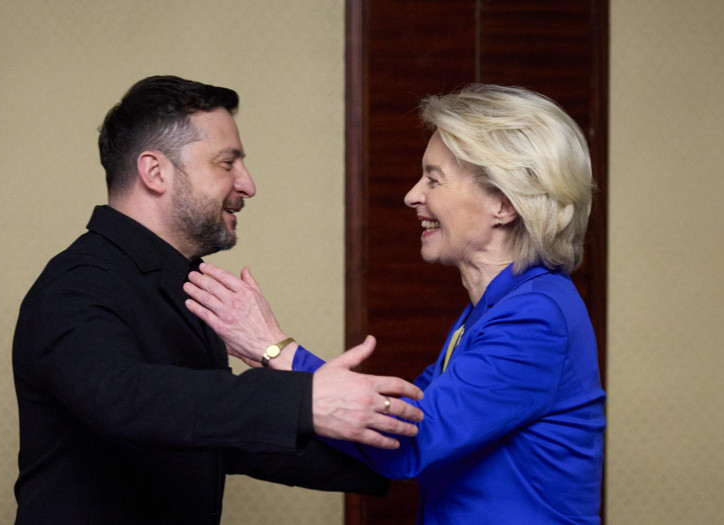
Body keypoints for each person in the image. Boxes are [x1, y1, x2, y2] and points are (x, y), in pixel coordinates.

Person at [11, 75, 426, 525]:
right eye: (227, 163)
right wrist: (305, 400)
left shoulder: (185, 282)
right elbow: (125, 401)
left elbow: (216, 432)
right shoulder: (76, 284)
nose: (248, 184)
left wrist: (403, 460)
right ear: (155, 172)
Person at [184, 84, 605, 524]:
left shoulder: (535, 316)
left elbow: (409, 440)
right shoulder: (498, 306)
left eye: (434, 179)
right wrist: (264, 372)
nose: (412, 195)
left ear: (502, 204)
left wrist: (276, 349)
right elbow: (405, 408)